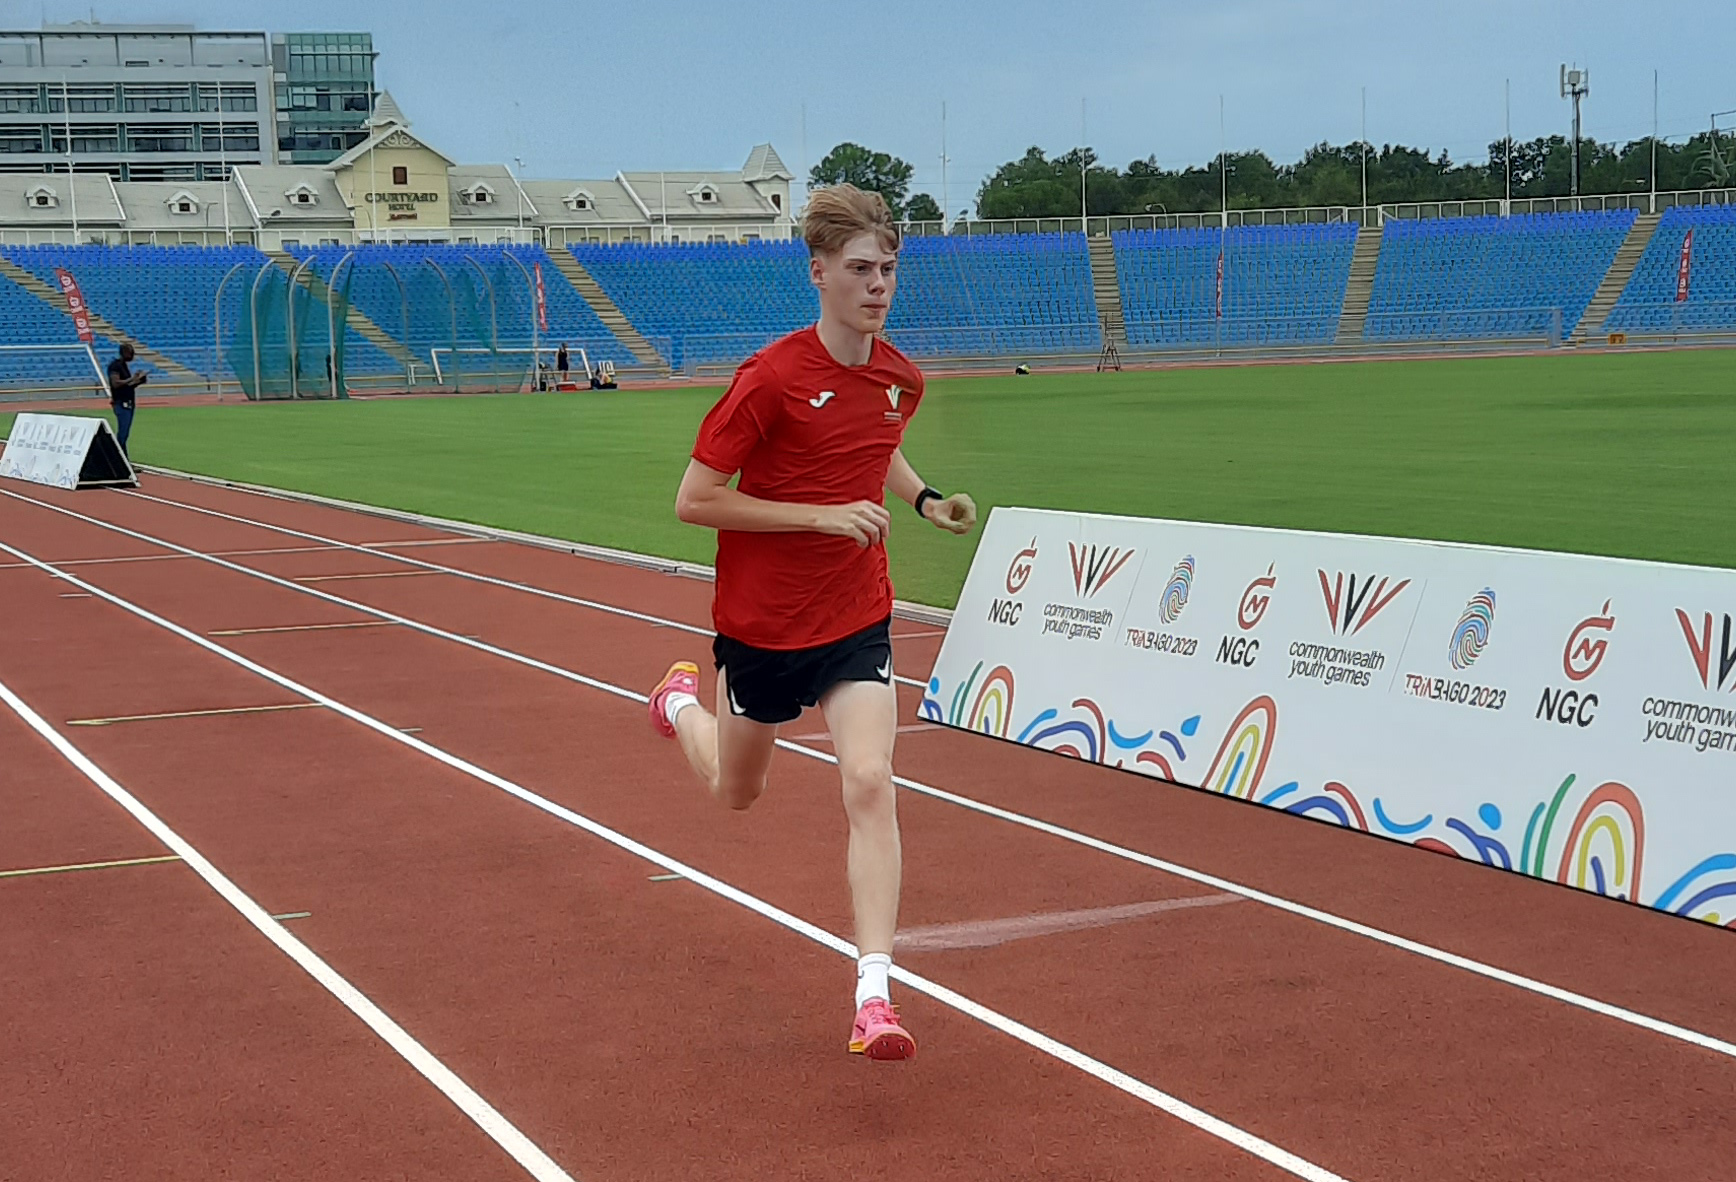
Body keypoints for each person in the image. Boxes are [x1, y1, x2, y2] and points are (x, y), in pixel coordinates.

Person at [646, 184, 977, 1061]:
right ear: (820, 272)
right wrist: (819, 516)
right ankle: (681, 703)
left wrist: (924, 499)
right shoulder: (769, 380)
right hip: (760, 627)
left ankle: (874, 996)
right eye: (862, 270)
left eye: (890, 269)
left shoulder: (901, 379)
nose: (879, 286)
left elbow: (878, 443)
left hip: (855, 617)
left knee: (870, 778)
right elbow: (695, 501)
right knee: (736, 793)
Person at [105, 343, 146, 458]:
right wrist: (131, 379)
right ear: (125, 353)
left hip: (128, 403)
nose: (133, 355)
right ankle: (118, 460)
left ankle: (123, 461)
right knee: (122, 434)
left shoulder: (123, 366)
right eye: (131, 353)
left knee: (124, 434)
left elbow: (127, 386)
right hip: (121, 404)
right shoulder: (115, 366)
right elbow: (116, 383)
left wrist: (139, 381)